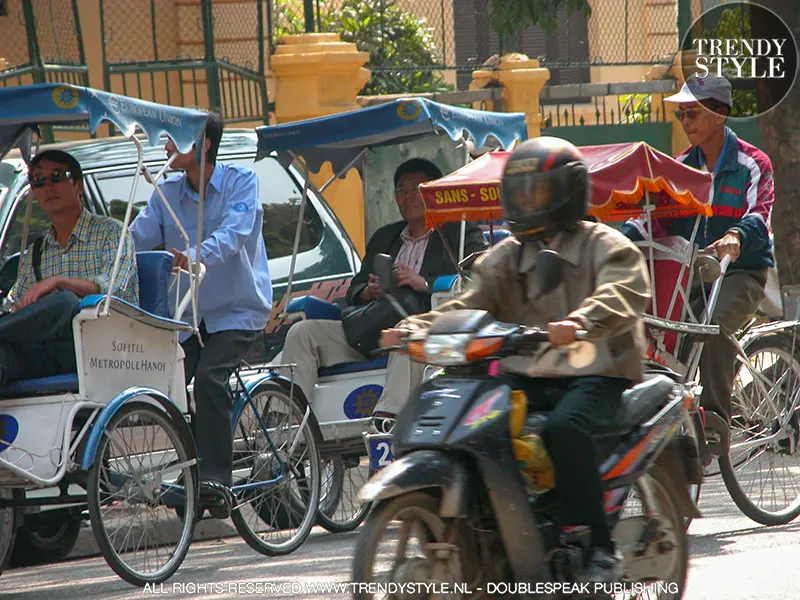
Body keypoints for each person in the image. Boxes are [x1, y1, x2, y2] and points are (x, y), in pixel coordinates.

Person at [382, 138, 652, 582]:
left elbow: (622, 291)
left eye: (537, 191)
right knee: (476, 427)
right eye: (519, 192)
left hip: (597, 370)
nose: (526, 202)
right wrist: (417, 327)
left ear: (567, 191)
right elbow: (470, 303)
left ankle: (599, 546)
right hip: (530, 371)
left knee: (565, 429)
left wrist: (581, 321)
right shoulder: (509, 254)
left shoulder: (603, 243)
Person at [620, 73, 775, 456]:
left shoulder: (752, 164)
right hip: (692, 272)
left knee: (712, 328)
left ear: (720, 115)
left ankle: (715, 425)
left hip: (741, 271)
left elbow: (760, 214)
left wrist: (736, 237)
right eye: (682, 115)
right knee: (652, 326)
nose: (686, 122)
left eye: (693, 113)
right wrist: (617, 239)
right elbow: (652, 219)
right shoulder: (680, 168)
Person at [130, 111, 272, 518]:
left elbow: (233, 234)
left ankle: (216, 479)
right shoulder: (167, 193)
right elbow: (137, 237)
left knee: (209, 378)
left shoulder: (241, 182)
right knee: (170, 383)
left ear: (205, 144)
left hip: (237, 310)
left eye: (176, 138)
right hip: (187, 313)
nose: (167, 146)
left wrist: (192, 256)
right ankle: (189, 474)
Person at [281, 158, 488, 432]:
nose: (407, 196)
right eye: (401, 190)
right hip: (370, 328)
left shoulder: (459, 232)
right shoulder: (385, 237)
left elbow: (475, 281)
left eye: (416, 188)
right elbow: (354, 290)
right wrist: (370, 290)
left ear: (433, 191)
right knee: (303, 332)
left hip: (426, 329)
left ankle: (385, 423)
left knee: (405, 335)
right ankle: (288, 424)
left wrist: (423, 282)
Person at [0, 150, 139, 387]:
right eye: (39, 180)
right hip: (49, 351)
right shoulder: (37, 249)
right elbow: (15, 304)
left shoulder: (112, 233)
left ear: (78, 186)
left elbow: (113, 289)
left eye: (57, 176)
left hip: (105, 348)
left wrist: (58, 281)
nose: (48, 186)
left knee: (65, 301)